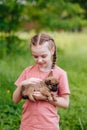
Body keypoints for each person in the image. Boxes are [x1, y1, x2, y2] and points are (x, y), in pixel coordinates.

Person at [12, 33, 70, 130]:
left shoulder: (60, 74)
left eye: (43, 56)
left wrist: (46, 98)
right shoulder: (27, 71)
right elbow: (15, 99)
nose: (39, 60)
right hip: (27, 125)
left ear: (52, 50)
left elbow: (65, 103)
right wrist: (22, 84)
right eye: (35, 56)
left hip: (49, 125)